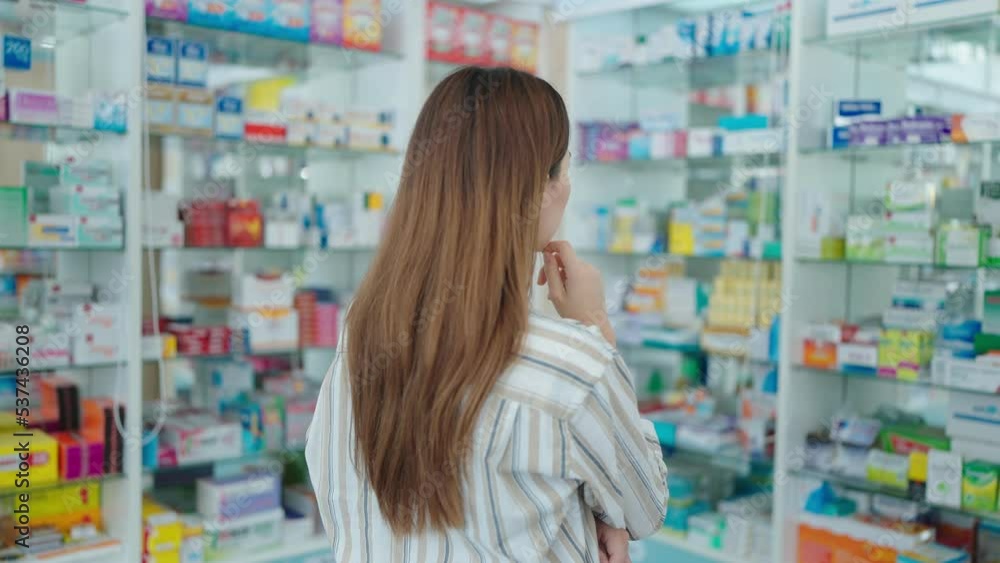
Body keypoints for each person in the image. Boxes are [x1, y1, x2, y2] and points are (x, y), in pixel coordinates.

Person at [305, 66, 668, 563]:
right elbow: (646, 508)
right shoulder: (573, 367)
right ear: (541, 188)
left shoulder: (362, 336)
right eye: (564, 169)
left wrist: (595, 514)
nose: (566, 185)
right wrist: (594, 325)